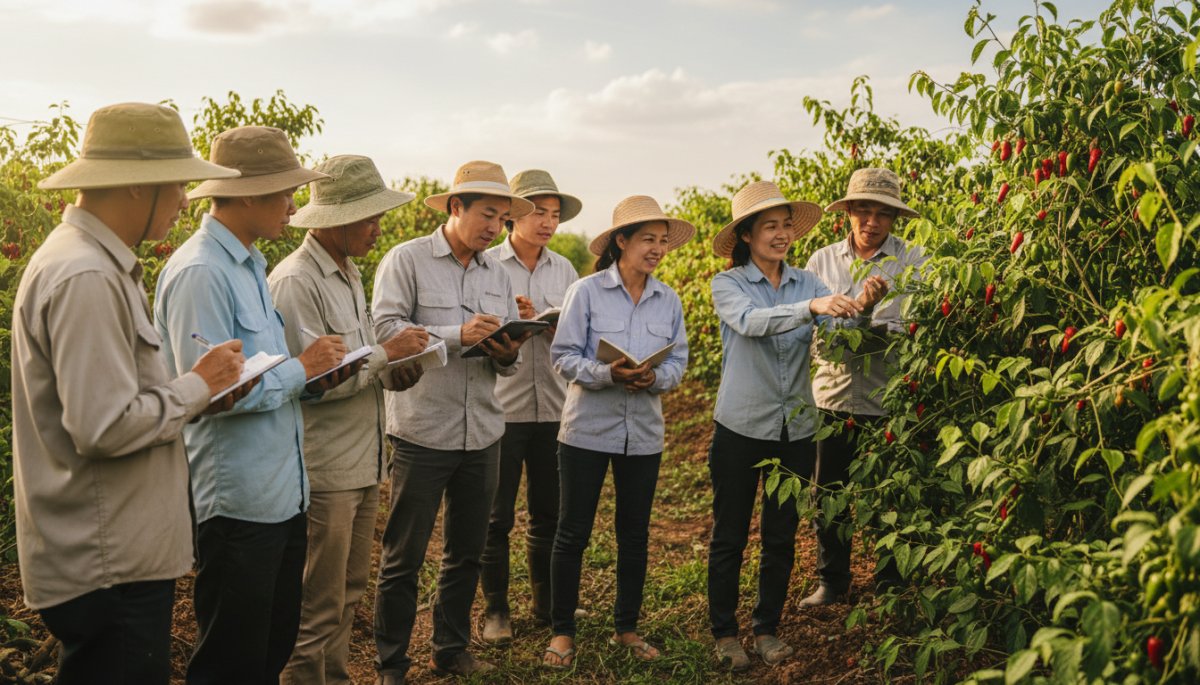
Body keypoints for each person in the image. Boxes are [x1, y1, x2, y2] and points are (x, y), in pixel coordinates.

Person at [10, 102, 248, 685]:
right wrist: (199, 384)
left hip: (114, 555)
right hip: (107, 563)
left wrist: (193, 393)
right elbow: (103, 426)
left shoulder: (94, 266)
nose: (182, 202)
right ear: (140, 187)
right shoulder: (86, 276)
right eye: (177, 187)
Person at [154, 126, 353, 685]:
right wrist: (303, 368)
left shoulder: (249, 265)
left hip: (279, 493)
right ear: (246, 195)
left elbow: (263, 373)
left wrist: (312, 376)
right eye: (285, 192)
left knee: (269, 647)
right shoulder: (202, 273)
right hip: (237, 500)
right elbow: (212, 392)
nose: (293, 206)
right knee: (231, 658)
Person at [705, 181, 884, 671]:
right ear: (746, 235)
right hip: (741, 427)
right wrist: (811, 307)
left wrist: (861, 306)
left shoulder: (808, 281)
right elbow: (751, 322)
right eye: (771, 226)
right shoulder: (731, 285)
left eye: (787, 225)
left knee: (781, 535)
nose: (782, 234)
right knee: (730, 535)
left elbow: (841, 330)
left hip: (796, 429)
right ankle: (724, 632)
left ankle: (766, 628)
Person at [269, 155, 431, 685]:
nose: (377, 228)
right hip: (326, 469)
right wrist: (385, 355)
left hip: (363, 463)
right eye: (369, 218)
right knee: (315, 606)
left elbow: (355, 364)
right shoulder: (296, 282)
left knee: (349, 592)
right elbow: (312, 385)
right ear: (337, 221)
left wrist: (392, 371)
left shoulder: (349, 273)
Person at [371, 160, 535, 682]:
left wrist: (508, 349)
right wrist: (456, 334)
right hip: (423, 429)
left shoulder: (500, 275)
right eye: (488, 214)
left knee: (467, 551)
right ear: (455, 207)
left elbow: (502, 361)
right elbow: (387, 331)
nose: (495, 228)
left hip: (483, 429)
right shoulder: (407, 261)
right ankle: (392, 662)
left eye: (503, 219)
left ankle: (450, 648)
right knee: (404, 556)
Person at [542, 195, 692, 669]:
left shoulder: (668, 299)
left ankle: (626, 627)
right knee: (573, 533)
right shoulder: (585, 292)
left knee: (634, 534)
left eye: (662, 241)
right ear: (621, 242)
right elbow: (563, 356)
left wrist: (655, 377)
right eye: (647, 239)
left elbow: (679, 361)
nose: (657, 249)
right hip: (586, 429)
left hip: (643, 433)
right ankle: (563, 632)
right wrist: (609, 374)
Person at [802, 167, 926, 606]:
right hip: (833, 396)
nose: (871, 222)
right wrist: (862, 317)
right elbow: (818, 335)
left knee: (890, 493)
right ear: (848, 212)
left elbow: (911, 330)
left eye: (882, 214)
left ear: (893, 219)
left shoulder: (914, 261)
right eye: (863, 211)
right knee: (828, 493)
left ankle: (891, 582)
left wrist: (866, 320)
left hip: (887, 398)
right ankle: (832, 581)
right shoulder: (820, 261)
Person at [480, 169, 581, 645]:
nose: (547, 222)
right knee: (496, 517)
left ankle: (545, 603)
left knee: (549, 513)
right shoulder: (488, 266)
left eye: (555, 215)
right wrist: (512, 322)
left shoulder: (565, 270)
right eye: (538, 212)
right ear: (514, 216)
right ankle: (496, 609)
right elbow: (475, 330)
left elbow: (581, 333)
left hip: (555, 408)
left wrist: (558, 327)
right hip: (503, 407)